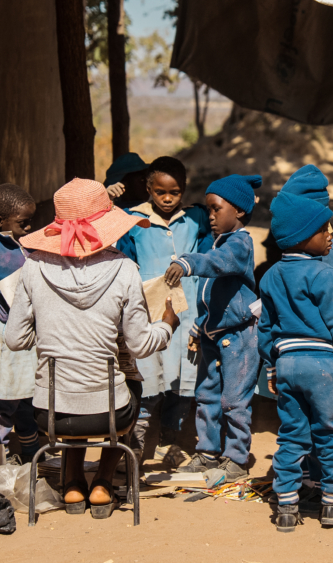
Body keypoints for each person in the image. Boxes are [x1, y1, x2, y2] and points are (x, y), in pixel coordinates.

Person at [5, 178, 177, 517]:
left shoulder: (33, 267)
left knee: (73, 391)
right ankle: (102, 483)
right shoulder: (124, 269)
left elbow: (15, 339)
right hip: (110, 415)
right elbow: (141, 344)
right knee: (131, 382)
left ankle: (72, 486)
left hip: (49, 415)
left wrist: (56, 332)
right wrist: (167, 326)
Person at [258, 190, 333, 532]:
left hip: (287, 364)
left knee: (292, 435)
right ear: (303, 237)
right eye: (323, 230)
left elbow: (265, 329)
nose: (330, 235)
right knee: (330, 434)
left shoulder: (271, 276)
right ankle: (331, 503)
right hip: (322, 365)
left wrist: (271, 367)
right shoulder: (324, 274)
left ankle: (286, 506)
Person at [165, 174, 263, 484]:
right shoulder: (217, 242)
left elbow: (218, 263)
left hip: (238, 336)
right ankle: (207, 452)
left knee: (234, 399)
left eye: (216, 209)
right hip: (212, 335)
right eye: (208, 209)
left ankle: (236, 458)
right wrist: (199, 326)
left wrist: (188, 263)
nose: (210, 216)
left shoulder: (240, 244)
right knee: (206, 395)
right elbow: (211, 299)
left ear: (239, 211)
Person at [116, 157, 209, 463]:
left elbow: (207, 253)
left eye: (175, 192)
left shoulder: (196, 218)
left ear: (184, 189)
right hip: (148, 310)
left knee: (184, 377)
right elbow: (124, 260)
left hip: (188, 311)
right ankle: (136, 445)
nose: (168, 198)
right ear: (148, 189)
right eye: (160, 192)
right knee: (148, 377)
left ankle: (171, 441)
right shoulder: (132, 220)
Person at [0, 183, 41, 463]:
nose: (29, 227)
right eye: (23, 223)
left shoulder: (23, 243)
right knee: (2, 400)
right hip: (2, 333)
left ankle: (32, 454)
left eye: (30, 222)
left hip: (27, 331)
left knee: (27, 397)